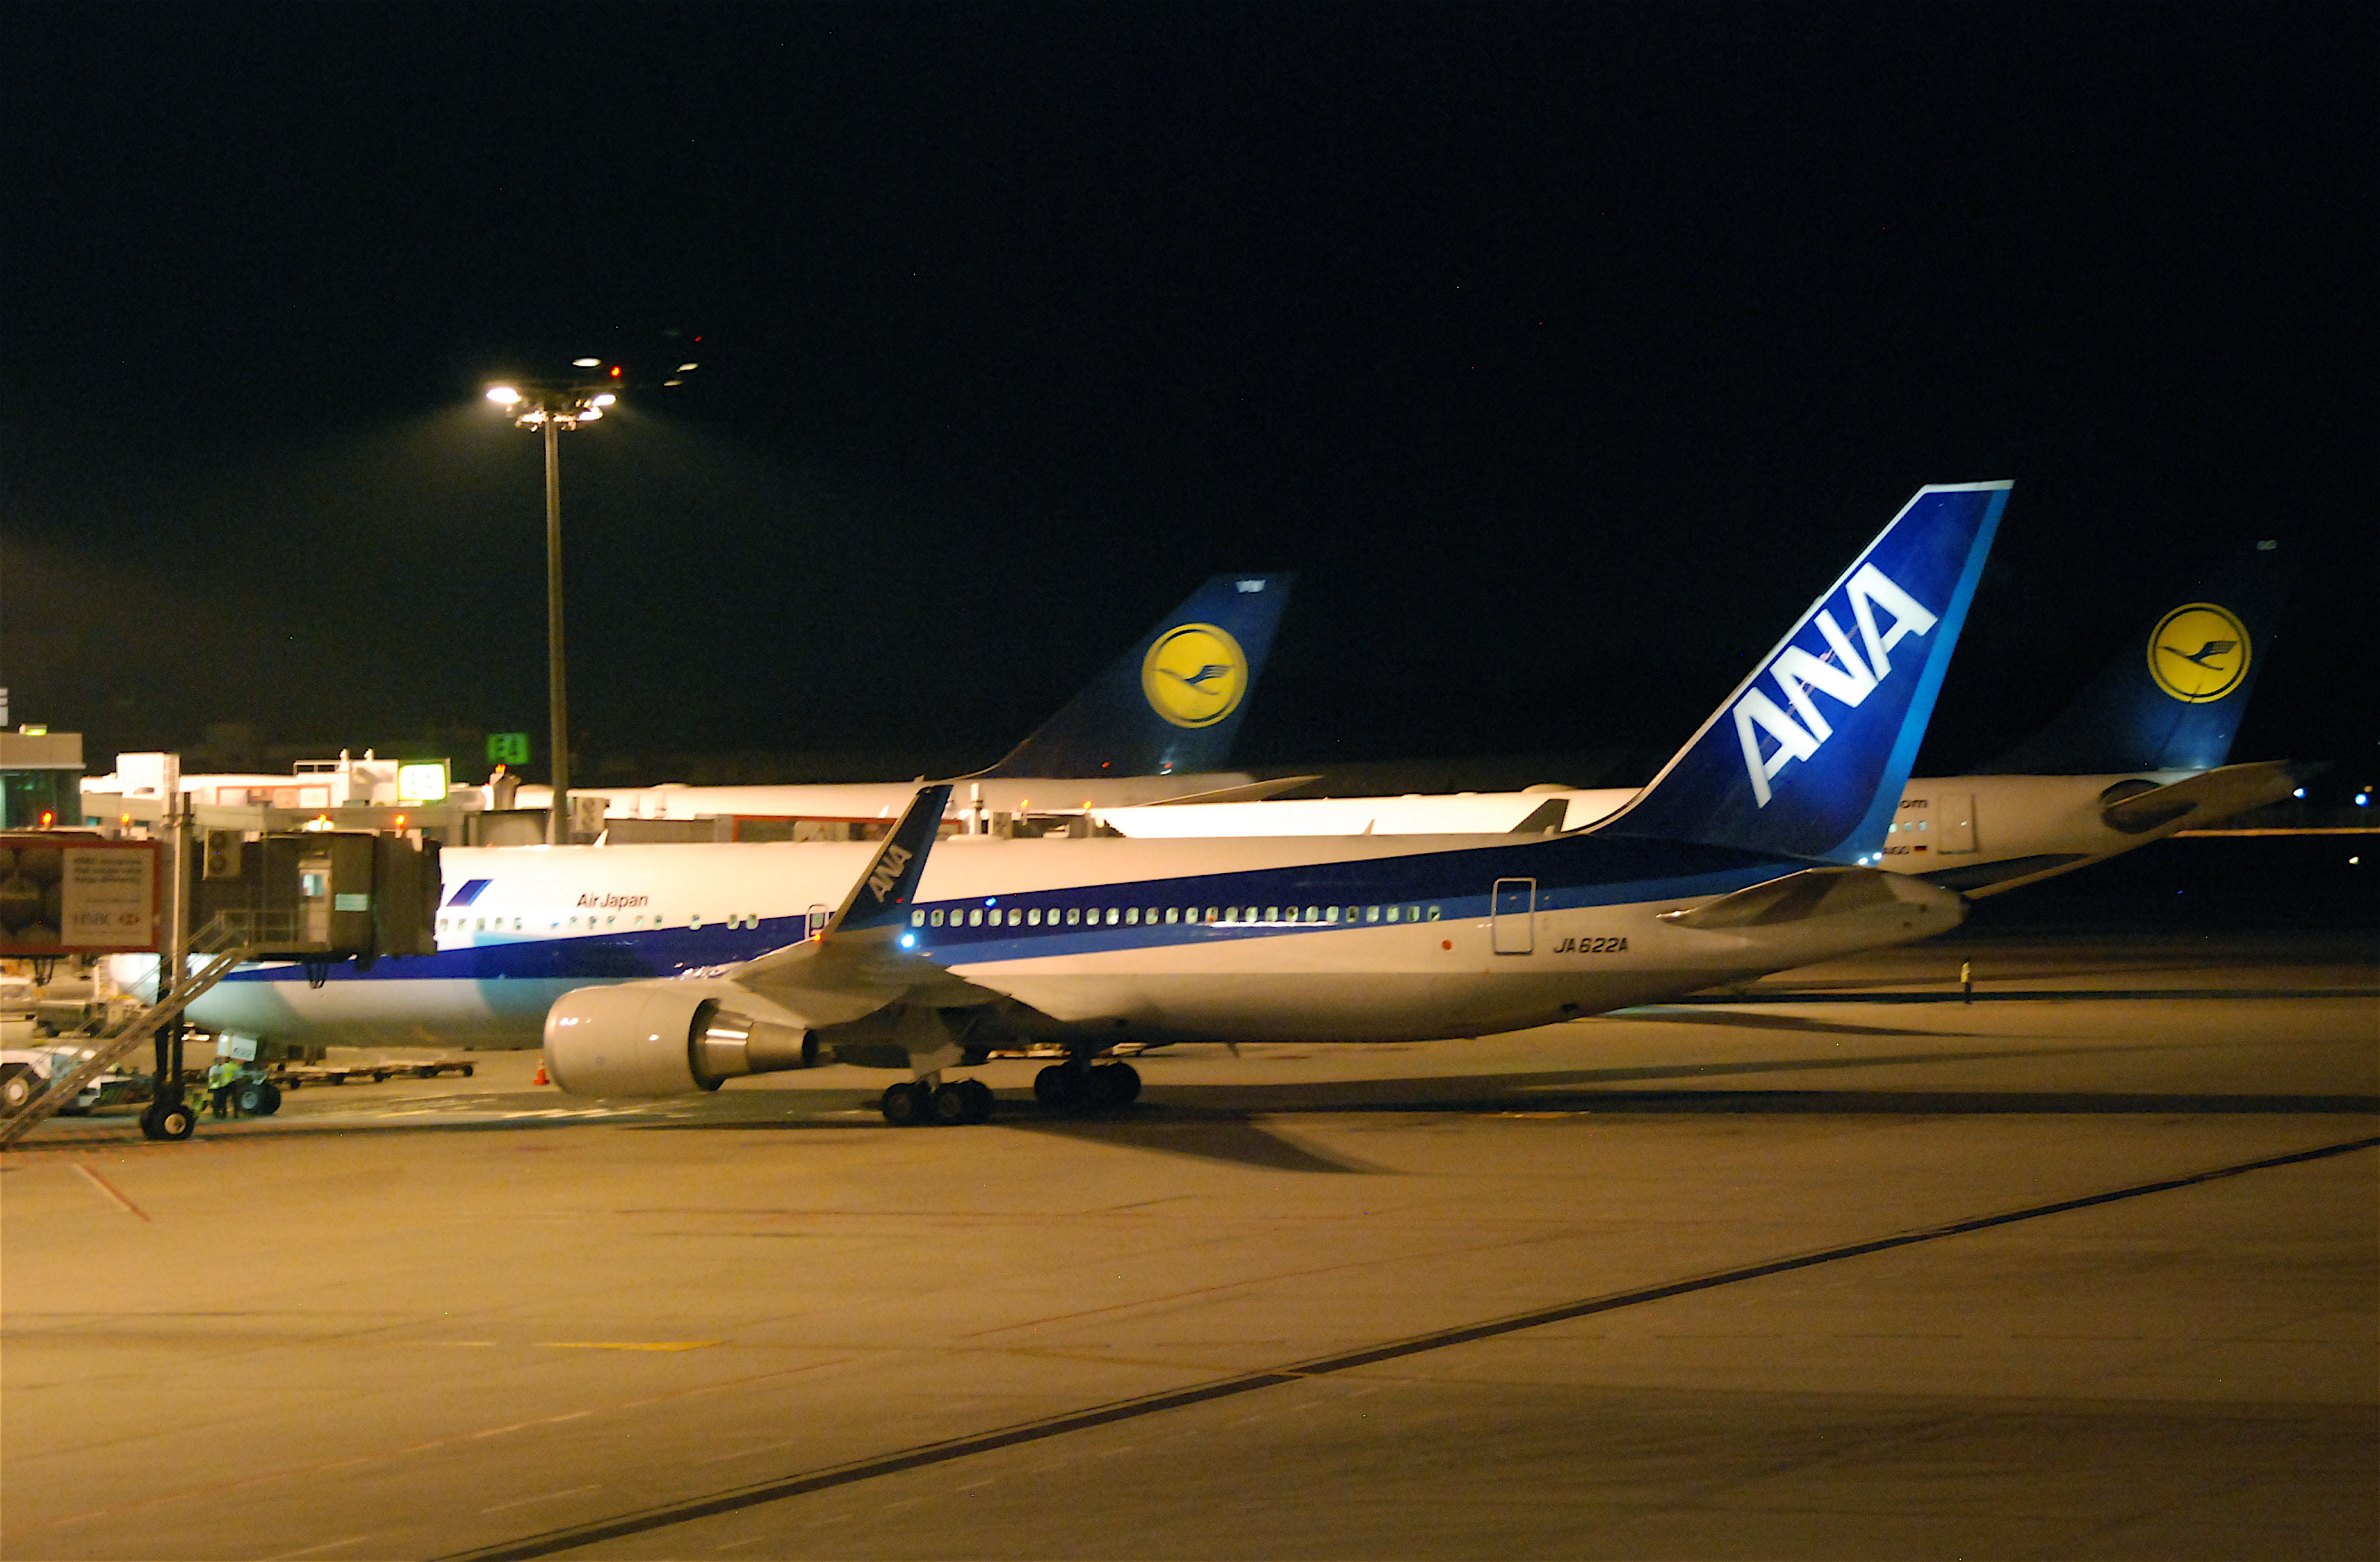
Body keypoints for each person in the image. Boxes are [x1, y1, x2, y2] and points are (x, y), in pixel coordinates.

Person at [206, 1056, 238, 1120]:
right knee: (219, 1101)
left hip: (220, 1086)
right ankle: (218, 1114)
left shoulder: (221, 1068)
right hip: (218, 1086)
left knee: (220, 1100)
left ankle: (221, 1114)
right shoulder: (216, 1068)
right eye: (219, 1061)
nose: (221, 1061)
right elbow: (214, 1077)